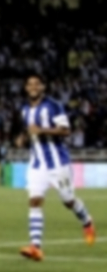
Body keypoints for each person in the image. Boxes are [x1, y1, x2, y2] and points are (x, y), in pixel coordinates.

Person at [15, 74, 95, 261]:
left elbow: (66, 130)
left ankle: (87, 221)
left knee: (68, 200)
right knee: (35, 201)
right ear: (26, 88)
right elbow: (28, 130)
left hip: (58, 163)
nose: (33, 87)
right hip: (37, 164)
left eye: (37, 84)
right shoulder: (24, 109)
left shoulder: (53, 106)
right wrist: (23, 138)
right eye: (30, 84)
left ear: (43, 87)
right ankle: (35, 247)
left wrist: (42, 130)